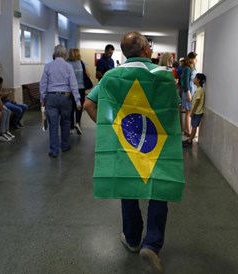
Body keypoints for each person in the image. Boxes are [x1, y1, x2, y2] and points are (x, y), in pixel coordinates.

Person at [84, 31, 185, 274]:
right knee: (158, 189)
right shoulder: (165, 76)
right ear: (146, 50)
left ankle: (131, 239)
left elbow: (88, 104)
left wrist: (111, 130)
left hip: (127, 142)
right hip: (158, 144)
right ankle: (151, 244)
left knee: (127, 186)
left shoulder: (111, 76)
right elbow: (173, 110)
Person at [40, 45, 81, 158]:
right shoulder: (68, 67)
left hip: (51, 98)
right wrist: (77, 101)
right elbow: (73, 84)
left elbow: (43, 83)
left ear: (54, 54)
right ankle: (64, 146)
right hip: (65, 98)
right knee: (66, 122)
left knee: (53, 125)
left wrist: (42, 98)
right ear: (65, 54)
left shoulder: (48, 66)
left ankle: (54, 151)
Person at [67, 48, 90, 135]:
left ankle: (71, 128)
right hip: (81, 88)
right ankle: (77, 123)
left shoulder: (67, 64)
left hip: (70, 89)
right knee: (79, 107)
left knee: (71, 108)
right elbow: (88, 74)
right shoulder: (82, 63)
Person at [183, 73, 206, 147]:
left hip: (197, 112)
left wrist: (192, 112)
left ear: (199, 80)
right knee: (193, 126)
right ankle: (190, 139)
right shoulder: (198, 90)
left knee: (194, 127)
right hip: (196, 112)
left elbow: (197, 102)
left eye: (195, 78)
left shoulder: (199, 90)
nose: (194, 79)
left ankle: (189, 141)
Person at [180, 52, 198, 137]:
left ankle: (189, 129)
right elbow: (186, 82)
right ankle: (188, 131)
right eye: (195, 58)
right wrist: (188, 93)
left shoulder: (193, 68)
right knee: (188, 112)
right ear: (191, 59)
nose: (196, 60)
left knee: (190, 112)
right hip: (188, 93)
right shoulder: (187, 69)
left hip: (192, 92)